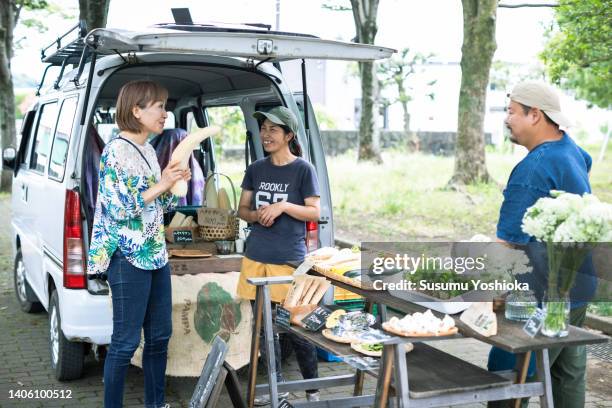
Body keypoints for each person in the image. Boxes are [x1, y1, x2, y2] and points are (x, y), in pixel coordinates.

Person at [489, 81, 595, 408]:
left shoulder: (532, 169)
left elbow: (506, 243)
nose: (507, 119)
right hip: (580, 284)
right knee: (566, 374)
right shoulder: (571, 149)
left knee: (508, 374)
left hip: (544, 295)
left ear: (535, 115)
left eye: (511, 112)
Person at [87, 80, 190, 408]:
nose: (165, 113)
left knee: (160, 338)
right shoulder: (115, 151)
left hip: (155, 254)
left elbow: (154, 208)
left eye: (164, 105)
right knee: (125, 343)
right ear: (136, 110)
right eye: (158, 106)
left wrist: (174, 185)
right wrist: (161, 184)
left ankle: (156, 404)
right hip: (127, 257)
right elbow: (119, 209)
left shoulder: (147, 149)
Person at [236, 106, 322, 405]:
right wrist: (257, 217)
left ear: (289, 135)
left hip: (289, 261)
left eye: (273, 129)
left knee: (298, 329)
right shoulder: (256, 169)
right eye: (263, 129)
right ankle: (277, 388)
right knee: (265, 331)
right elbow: (242, 211)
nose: (266, 134)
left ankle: (313, 390)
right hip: (256, 258)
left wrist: (283, 206)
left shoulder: (303, 170)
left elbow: (314, 211)